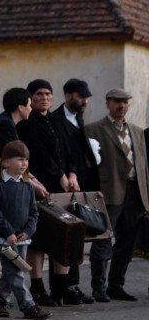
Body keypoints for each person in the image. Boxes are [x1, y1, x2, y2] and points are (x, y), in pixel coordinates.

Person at [16, 79, 80, 306]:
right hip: (39, 188)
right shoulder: (27, 124)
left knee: (63, 235)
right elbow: (39, 154)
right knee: (38, 240)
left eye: (47, 94)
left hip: (61, 190)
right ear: (31, 99)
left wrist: (71, 174)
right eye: (39, 94)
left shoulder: (56, 121)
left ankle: (61, 288)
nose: (44, 98)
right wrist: (59, 176)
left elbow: (70, 150)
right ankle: (37, 287)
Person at [84, 88, 149, 302]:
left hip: (135, 192)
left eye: (125, 102)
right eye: (116, 102)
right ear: (108, 104)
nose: (121, 106)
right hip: (108, 193)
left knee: (127, 242)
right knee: (103, 239)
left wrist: (146, 197)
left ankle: (116, 285)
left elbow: (144, 167)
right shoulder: (93, 129)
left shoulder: (138, 131)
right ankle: (98, 286)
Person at [0, 141, 51, 320]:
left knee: (12, 271)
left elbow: (33, 212)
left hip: (23, 239)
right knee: (16, 272)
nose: (24, 164)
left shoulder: (27, 186)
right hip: (5, 240)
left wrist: (28, 231)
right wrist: (8, 232)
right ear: (5, 162)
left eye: (26, 160)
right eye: (20, 159)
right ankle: (28, 305)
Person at [48, 78, 99, 303]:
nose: (85, 101)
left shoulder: (78, 118)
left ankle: (73, 285)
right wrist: (69, 174)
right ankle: (61, 287)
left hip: (81, 183)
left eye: (86, 97)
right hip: (63, 184)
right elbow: (61, 153)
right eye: (81, 97)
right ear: (68, 96)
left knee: (77, 234)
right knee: (63, 234)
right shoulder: (56, 119)